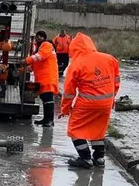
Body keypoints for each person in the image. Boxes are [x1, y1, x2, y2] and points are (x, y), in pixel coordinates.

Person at [59, 33, 121, 169]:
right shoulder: (109, 59)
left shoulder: (76, 64)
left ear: (74, 48)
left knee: (74, 129)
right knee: (98, 129)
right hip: (106, 103)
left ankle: (85, 158)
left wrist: (65, 108)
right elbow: (116, 81)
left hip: (86, 103)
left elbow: (69, 91)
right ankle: (99, 158)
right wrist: (111, 98)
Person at [21, 30, 59, 127]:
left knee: (48, 99)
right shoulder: (39, 49)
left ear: (44, 38)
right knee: (45, 98)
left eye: (41, 36)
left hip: (48, 77)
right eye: (37, 36)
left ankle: (49, 120)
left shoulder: (47, 45)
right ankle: (46, 119)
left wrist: (26, 61)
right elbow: (33, 66)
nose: (38, 38)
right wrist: (21, 70)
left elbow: (39, 57)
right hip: (43, 78)